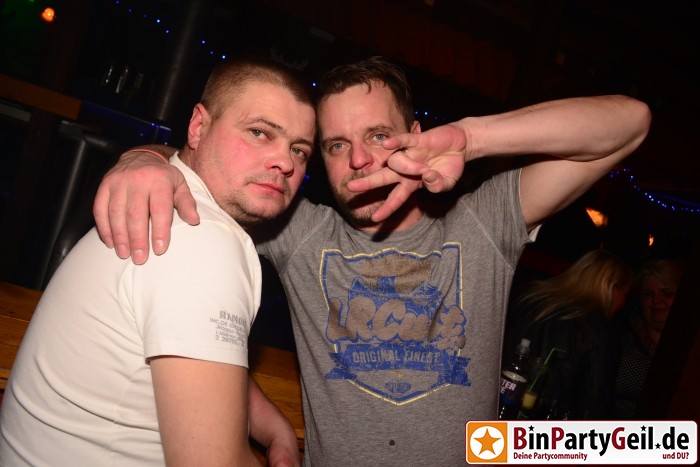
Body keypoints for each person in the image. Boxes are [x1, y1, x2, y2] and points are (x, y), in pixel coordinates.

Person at [92, 56, 651, 465]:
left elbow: (630, 123)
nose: (359, 159)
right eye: (336, 145)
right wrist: (145, 159)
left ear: (416, 136)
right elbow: (211, 171)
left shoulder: (483, 222)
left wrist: (470, 137)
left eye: (378, 135)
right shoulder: (299, 231)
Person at [0, 56, 316, 466]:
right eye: (259, 132)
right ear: (198, 127)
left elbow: (187, 348)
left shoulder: (176, 204)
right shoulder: (203, 240)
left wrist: (271, 425)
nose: (285, 163)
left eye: (299, 150)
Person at [502, 249, 634, 420]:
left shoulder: (530, 300)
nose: (623, 304)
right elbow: (595, 403)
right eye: (625, 294)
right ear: (610, 287)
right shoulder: (599, 330)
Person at [614, 257, 686, 419]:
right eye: (648, 294)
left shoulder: (691, 350)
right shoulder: (621, 338)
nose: (656, 300)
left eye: (666, 293)